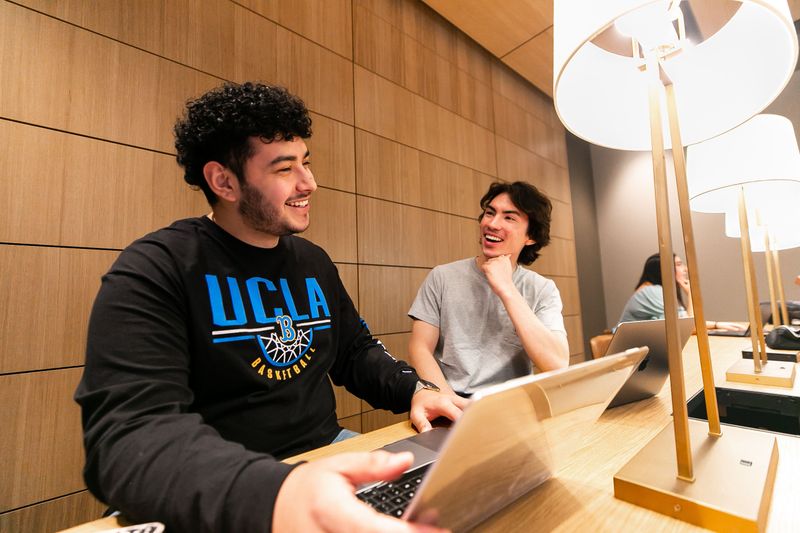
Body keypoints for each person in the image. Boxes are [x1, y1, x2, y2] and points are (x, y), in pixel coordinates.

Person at [75, 82, 465, 533]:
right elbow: (128, 438)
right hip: (220, 482)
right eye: (285, 169)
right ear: (224, 181)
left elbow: (354, 351)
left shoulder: (313, 262)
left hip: (324, 450)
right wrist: (278, 494)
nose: (309, 184)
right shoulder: (156, 268)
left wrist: (416, 390)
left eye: (307, 163)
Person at [407, 181, 569, 397]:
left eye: (509, 217)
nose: (492, 224)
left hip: (514, 404)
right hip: (449, 399)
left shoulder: (542, 289)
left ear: (530, 237)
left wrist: (507, 290)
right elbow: (420, 348)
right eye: (490, 213)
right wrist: (451, 403)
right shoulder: (442, 277)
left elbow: (557, 363)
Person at [617, 253, 744, 331]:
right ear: (664, 269)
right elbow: (687, 327)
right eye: (678, 264)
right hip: (628, 357)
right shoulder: (652, 291)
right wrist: (691, 294)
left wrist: (717, 324)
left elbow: (684, 323)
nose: (685, 269)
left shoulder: (657, 290)